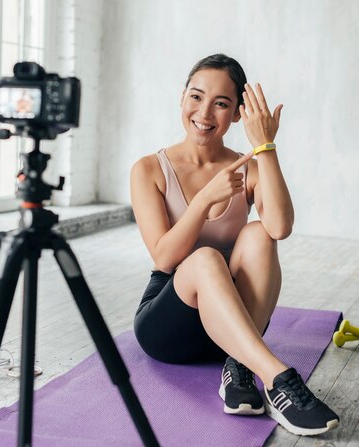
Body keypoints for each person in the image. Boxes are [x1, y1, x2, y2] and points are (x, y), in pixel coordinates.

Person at [130, 54, 339, 436]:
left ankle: (238, 368)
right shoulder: (148, 169)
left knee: (259, 232)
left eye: (221, 103)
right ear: (182, 98)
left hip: (233, 328)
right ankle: (279, 380)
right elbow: (163, 257)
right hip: (168, 325)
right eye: (196, 96)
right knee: (206, 258)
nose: (205, 112)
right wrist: (205, 199)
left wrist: (265, 147)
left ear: (238, 114)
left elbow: (280, 226)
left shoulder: (249, 167)